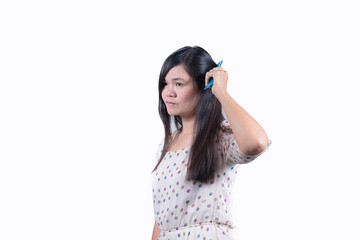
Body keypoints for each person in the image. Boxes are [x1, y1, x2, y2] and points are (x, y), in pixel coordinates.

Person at [151, 46, 272, 240]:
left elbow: (257, 143)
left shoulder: (219, 137)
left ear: (205, 86)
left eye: (179, 84)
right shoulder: (167, 144)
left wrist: (221, 92)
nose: (168, 92)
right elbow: (161, 218)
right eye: (165, 84)